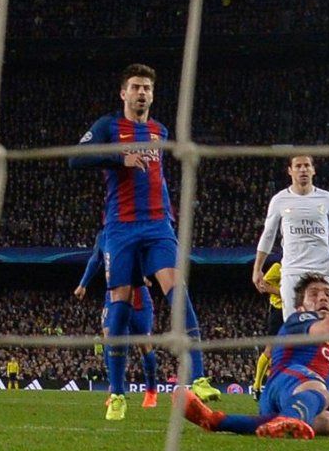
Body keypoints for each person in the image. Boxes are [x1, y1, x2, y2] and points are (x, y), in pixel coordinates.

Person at [70, 63, 220, 421]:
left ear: (152, 95)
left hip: (157, 224)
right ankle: (117, 393)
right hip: (120, 227)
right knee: (120, 304)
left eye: (147, 88)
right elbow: (75, 158)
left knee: (177, 290)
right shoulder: (107, 126)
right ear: (124, 93)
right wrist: (119, 157)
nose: (141, 93)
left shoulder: (160, 130)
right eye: (136, 87)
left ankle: (198, 376)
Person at [181, 274, 329, 439]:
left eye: (328, 295)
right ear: (300, 307)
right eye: (313, 294)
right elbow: (327, 328)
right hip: (284, 382)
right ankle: (287, 419)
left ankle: (216, 420)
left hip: (287, 401)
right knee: (323, 392)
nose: (323, 298)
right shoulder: (300, 320)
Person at [252, 155, 329, 319]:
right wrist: (257, 269)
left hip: (322, 269)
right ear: (290, 171)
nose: (303, 169)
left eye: (307, 165)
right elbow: (268, 235)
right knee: (294, 324)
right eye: (298, 166)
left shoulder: (327, 198)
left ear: (313, 170)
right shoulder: (279, 200)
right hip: (293, 270)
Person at [74, 229, 160, 408]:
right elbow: (95, 260)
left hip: (137, 296)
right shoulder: (103, 237)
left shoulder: (134, 233)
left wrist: (144, 274)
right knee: (109, 337)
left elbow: (148, 255)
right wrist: (83, 284)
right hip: (113, 295)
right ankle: (115, 390)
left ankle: (151, 391)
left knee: (144, 344)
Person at [249, 259, 283, 401]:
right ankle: (257, 386)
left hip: (293, 312)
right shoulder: (278, 267)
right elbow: (263, 286)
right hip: (278, 312)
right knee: (269, 351)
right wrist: (283, 293)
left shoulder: (299, 269)